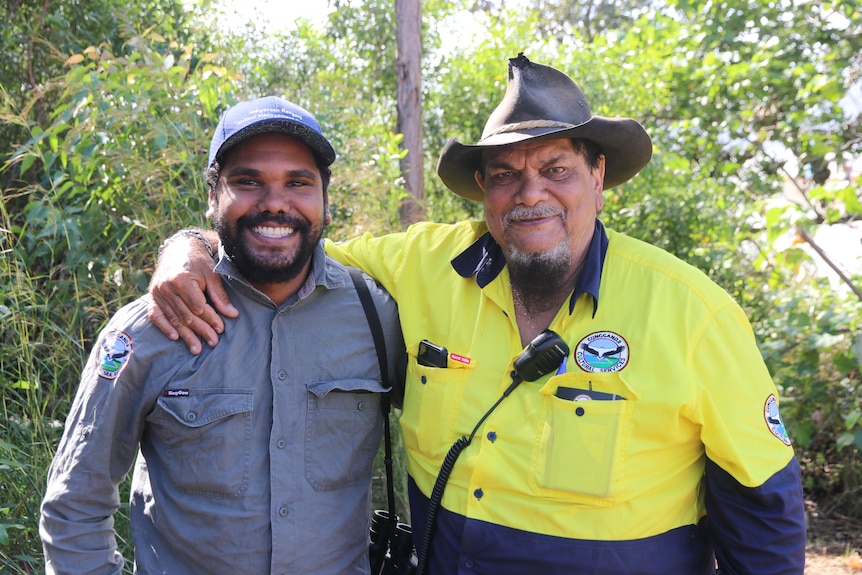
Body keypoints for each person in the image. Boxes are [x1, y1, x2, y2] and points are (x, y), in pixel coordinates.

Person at [148, 54, 807, 574]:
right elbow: (286, 244)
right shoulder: (425, 263)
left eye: (556, 169)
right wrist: (187, 248)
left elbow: (764, 508)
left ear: (599, 177)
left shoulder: (692, 312)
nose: (530, 194)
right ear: (484, 188)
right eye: (504, 174)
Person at [39, 96, 403, 575]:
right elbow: (75, 505)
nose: (275, 202)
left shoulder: (377, 316)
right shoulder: (152, 329)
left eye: (298, 182)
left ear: (325, 202)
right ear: (212, 197)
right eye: (247, 182)